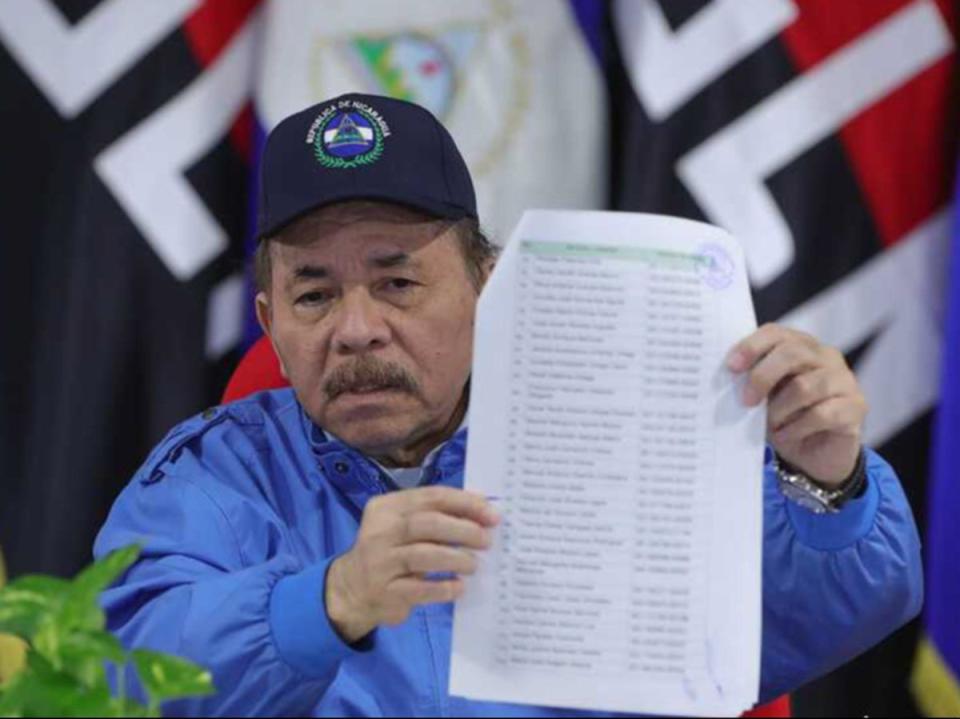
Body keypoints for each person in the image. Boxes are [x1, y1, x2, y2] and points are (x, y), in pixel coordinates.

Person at [95, 93, 922, 717]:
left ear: (487, 286)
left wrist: (828, 481)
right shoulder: (212, 478)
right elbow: (113, 672)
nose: (357, 330)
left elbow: (804, 622)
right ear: (270, 321)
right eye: (314, 296)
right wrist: (329, 600)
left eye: (397, 282)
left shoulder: (611, 428)